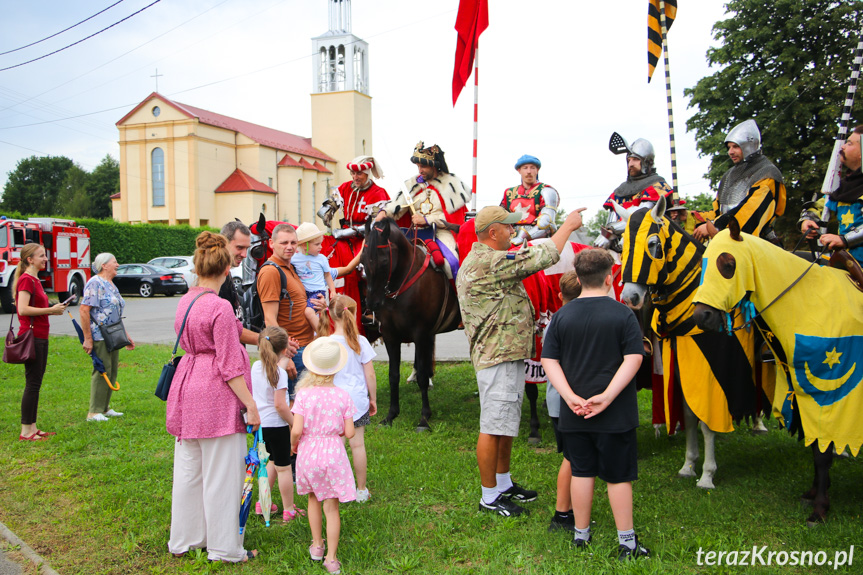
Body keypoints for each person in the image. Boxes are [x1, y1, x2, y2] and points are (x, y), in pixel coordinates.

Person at [456, 205, 586, 517]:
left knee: (504, 424)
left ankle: (502, 484)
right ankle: (489, 496)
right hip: (497, 356)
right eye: (509, 228)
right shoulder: (490, 261)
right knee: (492, 425)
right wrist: (568, 225)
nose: (513, 232)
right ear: (493, 233)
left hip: (505, 353)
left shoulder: (488, 259)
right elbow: (543, 256)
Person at [541, 249, 648, 560]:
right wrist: (608, 396)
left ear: (579, 277)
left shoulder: (562, 316)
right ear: (609, 277)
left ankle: (581, 535)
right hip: (615, 415)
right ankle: (627, 543)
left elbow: (549, 360)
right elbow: (634, 357)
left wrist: (569, 396)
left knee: (582, 472)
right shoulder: (623, 313)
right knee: (618, 476)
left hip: (574, 413)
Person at [166, 231, 260, 563]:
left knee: (190, 469)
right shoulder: (219, 307)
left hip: (187, 386)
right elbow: (229, 365)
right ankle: (224, 548)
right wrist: (250, 404)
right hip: (214, 393)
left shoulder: (186, 300)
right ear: (225, 271)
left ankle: (185, 538)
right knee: (222, 473)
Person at [290, 337, 356, 575]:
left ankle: (317, 546)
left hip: (308, 452)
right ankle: (331, 558)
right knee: (332, 506)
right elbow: (349, 432)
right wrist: (335, 431)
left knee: (312, 499)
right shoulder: (343, 396)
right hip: (333, 454)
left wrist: (294, 444)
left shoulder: (304, 395)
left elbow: (297, 429)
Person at [376, 141, 470, 276]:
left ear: (435, 165)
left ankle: (457, 296)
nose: (420, 170)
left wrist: (427, 219)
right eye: (418, 166)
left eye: (424, 166)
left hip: (440, 233)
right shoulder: (411, 184)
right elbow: (397, 206)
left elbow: (454, 220)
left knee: (451, 264)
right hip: (412, 233)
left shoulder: (451, 186)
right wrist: (384, 213)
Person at [317, 295, 377, 502]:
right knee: (357, 445)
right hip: (356, 402)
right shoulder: (360, 341)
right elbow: (370, 374)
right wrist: (373, 398)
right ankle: (361, 490)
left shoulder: (325, 343)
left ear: (332, 316)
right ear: (352, 313)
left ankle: (334, 488)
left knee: (336, 445)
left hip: (333, 402)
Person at [693, 119, 786, 243]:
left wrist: (716, 225)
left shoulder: (767, 174)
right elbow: (717, 212)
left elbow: (750, 212)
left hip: (759, 245)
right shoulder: (728, 176)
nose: (730, 152)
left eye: (736, 146)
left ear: (749, 145)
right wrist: (690, 217)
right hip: (726, 241)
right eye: (729, 147)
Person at [259, 224, 325, 392]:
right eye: (283, 243)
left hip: (305, 348)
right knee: (295, 409)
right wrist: (283, 354)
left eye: (293, 243)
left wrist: (320, 303)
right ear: (271, 244)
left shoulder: (291, 268)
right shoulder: (270, 272)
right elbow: (270, 319)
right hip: (292, 352)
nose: (289, 247)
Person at [14, 243, 68, 441]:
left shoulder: (35, 280)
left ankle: (33, 427)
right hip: (32, 337)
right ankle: (26, 431)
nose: (45, 259)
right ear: (30, 260)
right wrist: (51, 311)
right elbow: (23, 309)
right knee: (33, 384)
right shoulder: (26, 280)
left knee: (35, 383)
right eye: (41, 256)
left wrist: (53, 307)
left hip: (40, 336)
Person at [251, 325, 303, 522]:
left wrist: (286, 355)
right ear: (282, 349)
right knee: (283, 468)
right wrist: (294, 423)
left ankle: (262, 503)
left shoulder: (256, 367)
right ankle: (288, 509)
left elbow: (276, 366)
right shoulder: (279, 374)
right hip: (277, 425)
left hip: (262, 427)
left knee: (268, 463)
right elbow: (280, 405)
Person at [80, 253, 134, 422]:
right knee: (102, 370)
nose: (117, 264)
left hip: (113, 334)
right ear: (104, 265)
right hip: (99, 335)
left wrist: (126, 335)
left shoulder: (110, 284)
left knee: (111, 370)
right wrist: (88, 338)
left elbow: (115, 313)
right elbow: (84, 310)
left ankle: (104, 407)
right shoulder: (95, 283)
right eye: (114, 262)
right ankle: (93, 412)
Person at [597, 135, 676, 250]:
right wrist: (606, 236)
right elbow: (611, 221)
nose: (631, 164)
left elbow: (640, 218)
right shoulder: (620, 190)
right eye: (629, 160)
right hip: (618, 247)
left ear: (647, 162)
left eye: (635, 159)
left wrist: (610, 232)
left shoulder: (657, 186)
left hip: (649, 245)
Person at [546, 270, 580, 532]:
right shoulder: (574, 322)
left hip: (557, 402)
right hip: (570, 402)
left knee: (572, 455)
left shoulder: (553, 322)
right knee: (572, 457)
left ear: (559, 295)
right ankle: (562, 513)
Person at [800, 125, 863, 266]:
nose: (842, 147)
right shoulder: (845, 187)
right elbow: (822, 206)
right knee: (792, 262)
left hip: (859, 265)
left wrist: (845, 240)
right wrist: (808, 220)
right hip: (845, 261)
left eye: (849, 143)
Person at [293, 222, 362, 332]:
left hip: (316, 292)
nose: (321, 247)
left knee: (309, 312)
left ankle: (322, 336)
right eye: (317, 244)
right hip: (302, 294)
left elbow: (330, 274)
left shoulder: (321, 259)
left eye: (321, 243)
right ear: (303, 245)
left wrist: (333, 291)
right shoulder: (294, 259)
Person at [500, 155, 561, 246]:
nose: (529, 171)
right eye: (525, 168)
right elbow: (500, 219)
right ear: (519, 171)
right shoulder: (509, 193)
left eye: (532, 168)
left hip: (537, 240)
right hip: (511, 239)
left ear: (537, 170)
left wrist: (522, 238)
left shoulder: (546, 191)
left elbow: (546, 223)